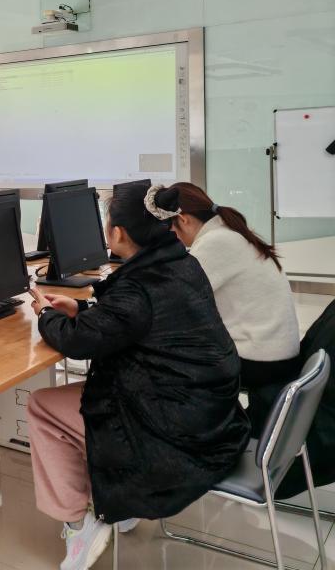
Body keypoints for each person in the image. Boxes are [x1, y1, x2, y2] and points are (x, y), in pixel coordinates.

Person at [25, 182, 248, 570]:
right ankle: (122, 502)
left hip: (174, 432)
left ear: (117, 233)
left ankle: (78, 524)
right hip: (210, 414)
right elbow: (132, 319)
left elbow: (77, 342)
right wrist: (83, 309)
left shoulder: (139, 288)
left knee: (42, 407)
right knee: (83, 403)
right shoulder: (181, 263)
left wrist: (46, 314)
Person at [156, 182, 300, 390]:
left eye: (169, 228)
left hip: (260, 361)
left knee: (159, 359)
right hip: (275, 356)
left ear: (183, 219)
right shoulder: (227, 233)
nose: (171, 235)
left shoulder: (216, 242)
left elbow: (173, 298)